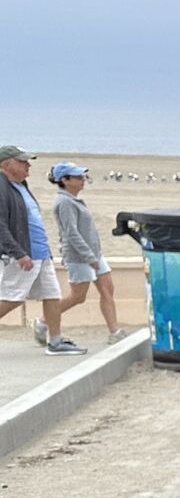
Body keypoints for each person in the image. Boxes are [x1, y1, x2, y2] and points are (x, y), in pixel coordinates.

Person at [0, 145, 84, 355]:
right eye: (23, 162)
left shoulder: (21, 185)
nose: (28, 166)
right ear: (6, 165)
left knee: (51, 294)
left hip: (40, 253)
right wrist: (18, 252)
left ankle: (55, 342)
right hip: (21, 253)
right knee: (11, 299)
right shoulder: (2, 187)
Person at [50, 163, 126, 339]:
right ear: (65, 180)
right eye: (78, 177)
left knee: (107, 290)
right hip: (79, 257)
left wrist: (95, 255)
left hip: (94, 254)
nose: (82, 180)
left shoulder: (74, 200)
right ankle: (44, 320)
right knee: (78, 296)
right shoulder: (64, 202)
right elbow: (71, 233)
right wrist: (89, 257)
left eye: (82, 177)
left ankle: (114, 332)